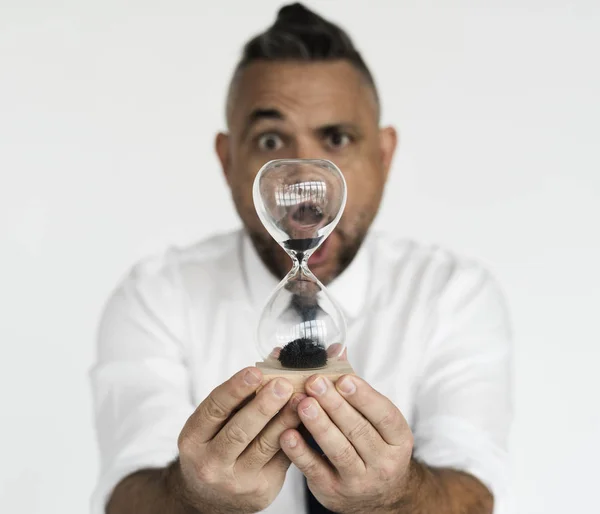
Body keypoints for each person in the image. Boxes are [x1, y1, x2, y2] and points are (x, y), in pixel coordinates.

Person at [91, 3, 512, 513]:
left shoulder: (452, 293)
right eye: (271, 141)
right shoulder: (158, 293)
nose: (301, 181)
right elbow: (125, 492)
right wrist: (191, 495)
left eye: (337, 138)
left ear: (384, 155)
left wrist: (397, 495)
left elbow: (474, 492)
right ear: (227, 161)